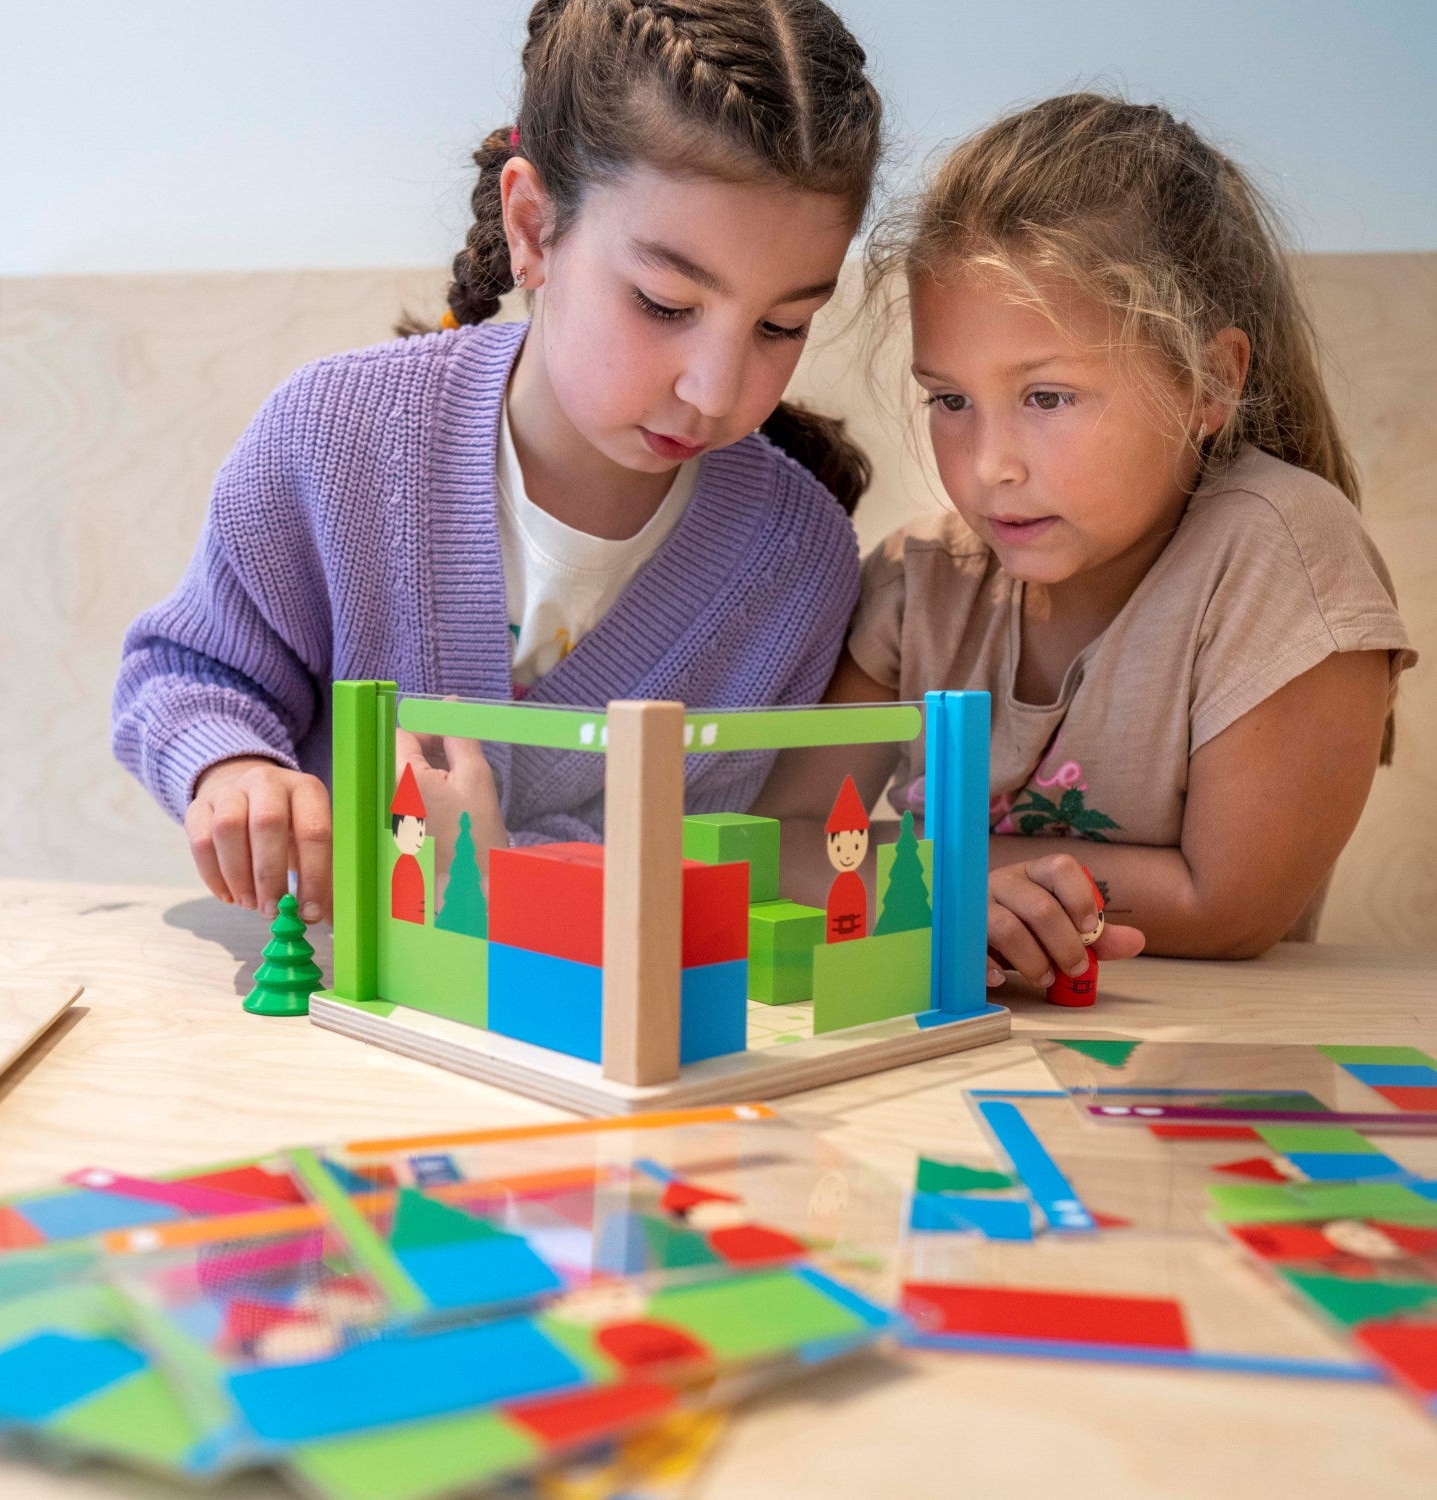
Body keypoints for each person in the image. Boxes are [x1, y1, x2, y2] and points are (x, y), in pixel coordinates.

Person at [112, 0, 884, 925]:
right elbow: (190, 672)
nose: (716, 390)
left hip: (590, 1010)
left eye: (782, 326)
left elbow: (703, 866)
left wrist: (497, 875)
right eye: (665, 303)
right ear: (531, 226)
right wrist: (234, 769)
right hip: (323, 990)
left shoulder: (796, 563)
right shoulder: (334, 437)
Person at [760, 94, 1415, 989]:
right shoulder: (918, 585)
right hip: (964, 1047)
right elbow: (776, 841)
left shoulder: (1283, 554)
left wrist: (937, 885)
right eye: (950, 400)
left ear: (1209, 382)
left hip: (1202, 1055)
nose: (989, 465)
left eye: (1047, 397)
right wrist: (961, 898)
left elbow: (1227, 907)